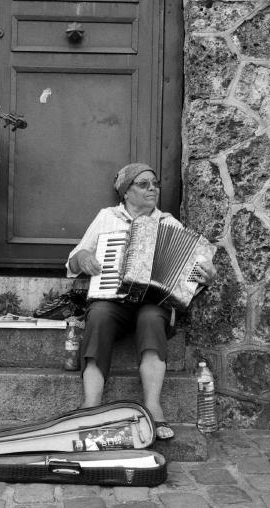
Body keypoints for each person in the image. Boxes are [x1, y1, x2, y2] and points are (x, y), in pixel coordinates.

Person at [66, 163, 215, 440]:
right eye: (143, 184)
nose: (152, 189)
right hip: (114, 300)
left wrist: (206, 275)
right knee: (98, 315)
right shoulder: (107, 218)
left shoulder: (169, 224)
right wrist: (84, 257)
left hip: (153, 303)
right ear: (126, 192)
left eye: (155, 184)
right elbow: (73, 260)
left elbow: (193, 273)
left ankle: (153, 405)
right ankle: (91, 405)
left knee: (150, 316)